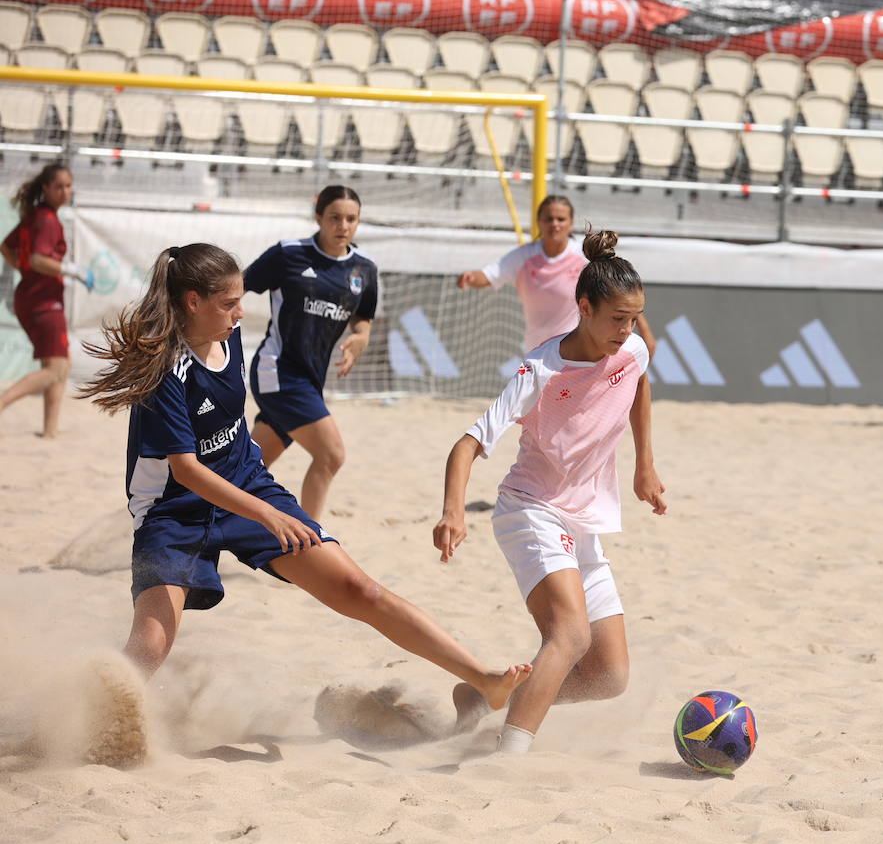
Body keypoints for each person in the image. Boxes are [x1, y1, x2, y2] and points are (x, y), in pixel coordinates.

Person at [78, 242, 530, 711]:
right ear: (193, 302)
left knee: (361, 590)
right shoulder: (166, 371)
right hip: (172, 515)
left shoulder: (228, 338)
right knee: (150, 648)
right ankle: (80, 720)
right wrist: (270, 516)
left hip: (246, 482)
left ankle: (483, 680)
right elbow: (187, 472)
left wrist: (357, 332)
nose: (241, 312)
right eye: (229, 302)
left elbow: (235, 422)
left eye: (241, 299)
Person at [434, 228, 667, 754]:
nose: (629, 331)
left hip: (585, 521)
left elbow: (640, 382)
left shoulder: (631, 349)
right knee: (570, 636)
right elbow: (467, 444)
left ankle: (485, 697)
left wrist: (644, 464)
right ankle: (509, 757)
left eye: (634, 318)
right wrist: (453, 513)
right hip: (531, 510)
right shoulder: (539, 369)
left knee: (609, 675)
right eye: (617, 318)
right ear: (583, 306)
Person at [243, 186, 378, 520]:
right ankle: (312, 543)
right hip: (278, 371)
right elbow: (236, 287)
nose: (343, 225)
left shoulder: (364, 270)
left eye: (351, 219)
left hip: (311, 378)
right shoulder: (289, 254)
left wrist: (360, 339)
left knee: (246, 471)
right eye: (335, 217)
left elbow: (364, 322)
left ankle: (196, 517)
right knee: (331, 455)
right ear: (318, 217)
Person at [457, 195, 656, 355]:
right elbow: (490, 275)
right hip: (538, 352)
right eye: (548, 218)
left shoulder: (584, 255)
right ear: (539, 222)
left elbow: (621, 294)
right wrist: (471, 277)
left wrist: (645, 332)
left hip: (578, 350)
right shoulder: (524, 256)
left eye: (561, 219)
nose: (555, 224)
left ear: (570, 223)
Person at [0, 162, 94, 437]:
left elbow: (7, 245)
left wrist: (23, 268)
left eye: (68, 185)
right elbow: (38, 258)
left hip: (34, 297)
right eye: (59, 187)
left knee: (61, 365)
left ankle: (50, 431)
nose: (65, 191)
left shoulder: (38, 215)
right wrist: (71, 269)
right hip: (42, 301)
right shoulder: (47, 219)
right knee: (55, 369)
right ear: (46, 188)